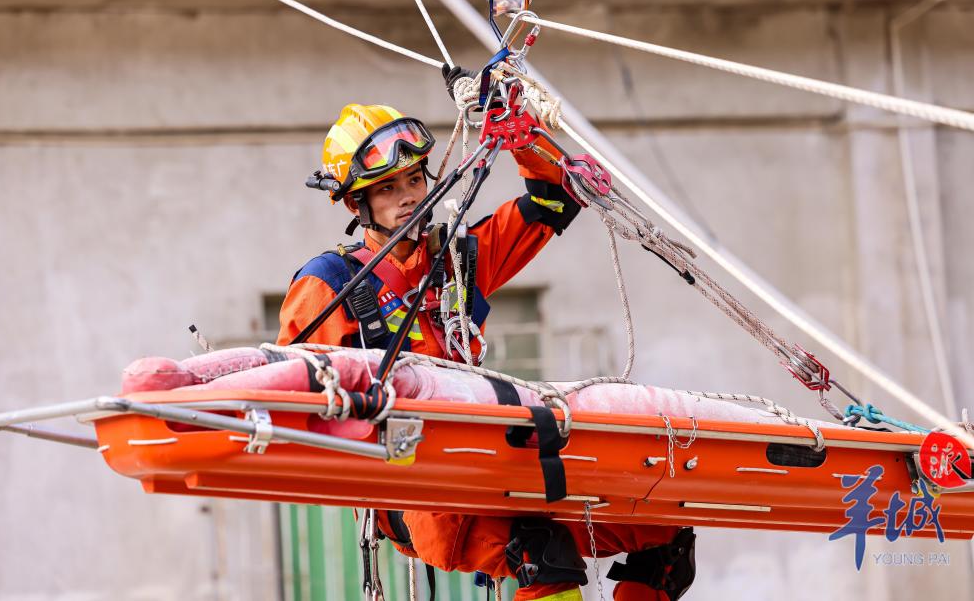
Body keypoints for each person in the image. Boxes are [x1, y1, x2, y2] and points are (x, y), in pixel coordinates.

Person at [277, 88, 695, 600]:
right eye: (388, 188)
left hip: (495, 465)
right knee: (542, 558)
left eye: (414, 179)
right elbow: (293, 398)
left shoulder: (457, 261)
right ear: (354, 201)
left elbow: (553, 199)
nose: (409, 195)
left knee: (665, 536)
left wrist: (517, 129)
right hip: (416, 491)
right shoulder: (329, 284)